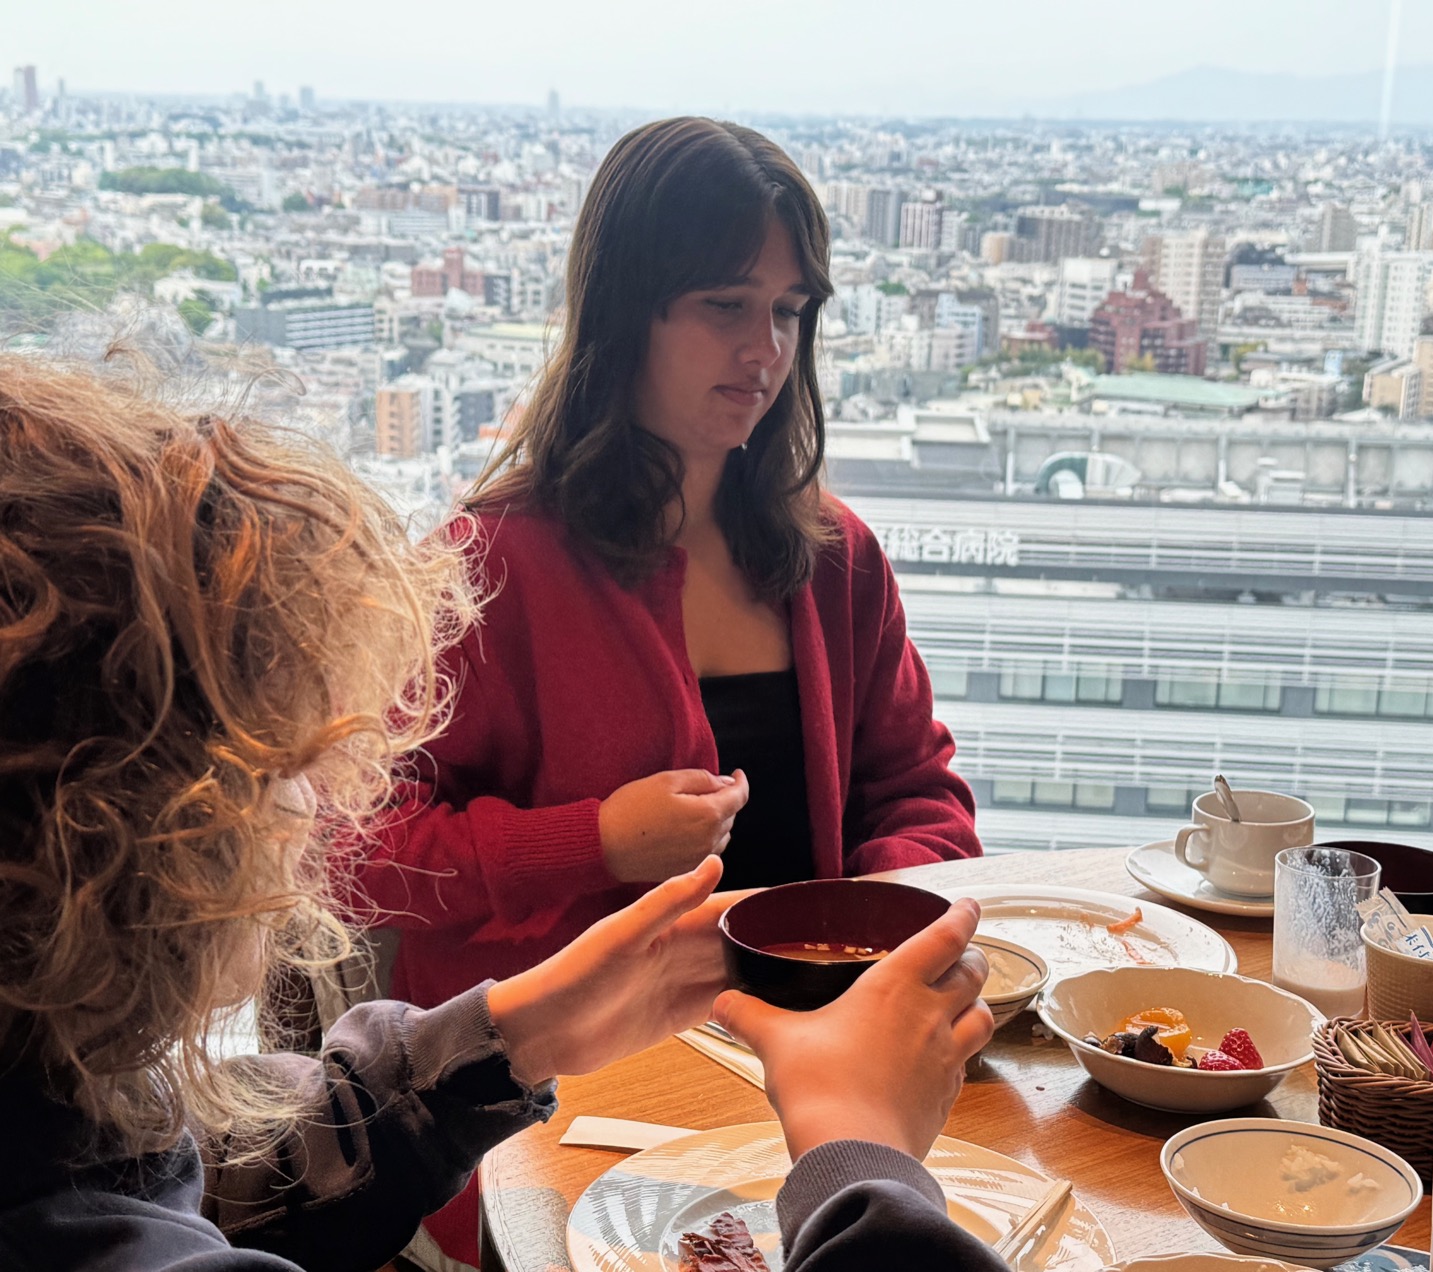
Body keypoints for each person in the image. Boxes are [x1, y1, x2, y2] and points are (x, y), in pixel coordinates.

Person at [0, 350, 1009, 1272]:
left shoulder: (50, 1121)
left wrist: (506, 1036)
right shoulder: (507, 553)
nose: (312, 813)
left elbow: (176, 1163)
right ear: (96, 832)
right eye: (271, 766)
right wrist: (858, 1154)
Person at [357, 116, 982, 1260]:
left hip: (815, 1079)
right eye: (724, 306)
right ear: (624, 309)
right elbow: (364, 855)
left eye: (789, 313)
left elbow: (916, 784)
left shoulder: (834, 557)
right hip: (567, 1110)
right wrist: (589, 840)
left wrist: (890, 926)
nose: (765, 352)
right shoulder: (488, 565)